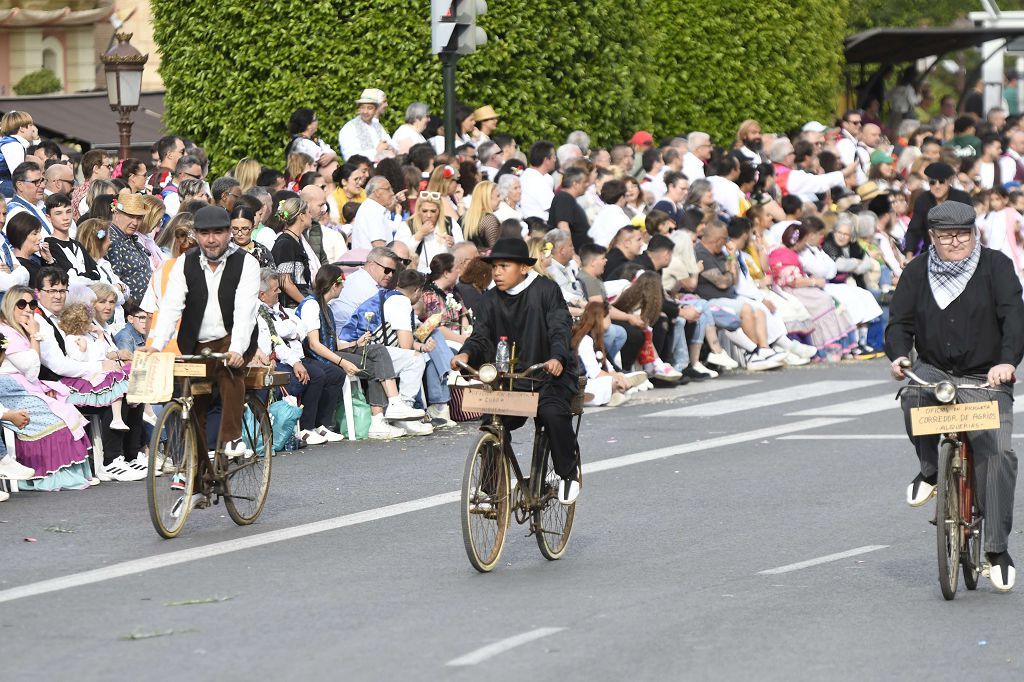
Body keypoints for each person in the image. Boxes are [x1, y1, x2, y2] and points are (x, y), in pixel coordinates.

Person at [887, 201, 1024, 592]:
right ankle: (930, 469)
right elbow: (900, 323)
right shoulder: (916, 272)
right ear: (931, 237)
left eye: (963, 234)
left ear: (974, 233)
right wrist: (898, 355)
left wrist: (1007, 362)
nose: (955, 242)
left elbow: (1014, 317)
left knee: (996, 454)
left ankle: (997, 550)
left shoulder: (995, 267)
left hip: (985, 375)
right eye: (946, 236)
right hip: (935, 369)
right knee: (912, 393)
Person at [452, 238, 581, 504]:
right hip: (509, 380)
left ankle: (568, 475)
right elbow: (480, 336)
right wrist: (465, 353)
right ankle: (490, 488)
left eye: (504, 266)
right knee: (493, 423)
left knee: (553, 415)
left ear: (523, 268)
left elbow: (559, 327)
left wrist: (557, 357)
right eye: (494, 266)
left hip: (546, 376)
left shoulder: (546, 290)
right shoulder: (488, 300)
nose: (497, 272)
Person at [146, 205, 261, 458]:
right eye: (205, 233)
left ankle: (232, 437)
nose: (211, 239)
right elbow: (171, 306)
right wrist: (156, 344)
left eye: (218, 232)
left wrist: (237, 349)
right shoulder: (183, 263)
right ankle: (193, 468)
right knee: (193, 398)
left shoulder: (246, 263)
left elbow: (245, 311)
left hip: (233, 336)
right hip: (197, 340)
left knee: (230, 371)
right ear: (196, 235)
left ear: (230, 233)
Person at [297, 265, 421, 440]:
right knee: (372, 360)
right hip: (316, 357)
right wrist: (343, 362)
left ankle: (383, 414)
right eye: (342, 284)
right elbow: (314, 344)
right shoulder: (311, 305)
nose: (343, 288)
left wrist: (355, 343)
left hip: (330, 351)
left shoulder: (326, 306)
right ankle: (385, 411)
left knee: (377, 352)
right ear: (334, 285)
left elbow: (331, 341)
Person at [0, 293, 93, 491]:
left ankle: (71, 473)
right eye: (21, 304)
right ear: (9, 304)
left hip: (23, 386)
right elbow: (32, 370)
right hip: (9, 389)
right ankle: (45, 475)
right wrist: (35, 335)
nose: (28, 308)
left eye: (32, 304)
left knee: (66, 409)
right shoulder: (5, 332)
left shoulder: (20, 330)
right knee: (56, 417)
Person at [255, 267, 341, 445]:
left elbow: (300, 329)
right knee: (315, 376)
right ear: (262, 295)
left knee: (336, 373)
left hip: (290, 355)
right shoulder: (258, 312)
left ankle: (321, 424)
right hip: (269, 361)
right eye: (275, 290)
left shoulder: (278, 308)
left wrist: (294, 356)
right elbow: (278, 336)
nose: (279, 292)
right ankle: (305, 428)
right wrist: (290, 331)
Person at [57, 301, 130, 429]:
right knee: (114, 380)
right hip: (89, 374)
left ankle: (143, 410)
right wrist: (83, 348)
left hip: (98, 367)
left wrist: (100, 335)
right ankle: (116, 417)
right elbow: (78, 359)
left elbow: (99, 354)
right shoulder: (71, 339)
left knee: (128, 372)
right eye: (88, 322)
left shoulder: (86, 336)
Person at [105, 193, 153, 301]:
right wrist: (132, 310)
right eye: (130, 216)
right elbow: (114, 281)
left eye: (139, 218)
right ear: (116, 214)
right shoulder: (111, 241)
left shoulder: (128, 237)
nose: (135, 222)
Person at [338, 88, 395, 162]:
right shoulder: (349, 128)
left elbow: (389, 144)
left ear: (375, 110)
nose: (365, 111)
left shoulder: (377, 126)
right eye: (362, 108)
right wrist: (376, 151)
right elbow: (350, 157)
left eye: (370, 108)